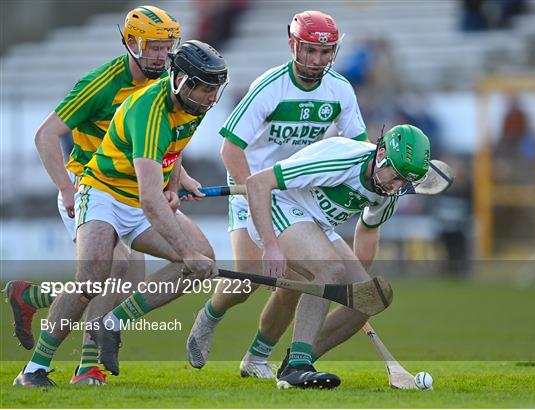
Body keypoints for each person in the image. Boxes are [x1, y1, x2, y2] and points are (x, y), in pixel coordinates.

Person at [13, 39, 229, 387]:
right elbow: (148, 196)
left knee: (201, 262)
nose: (209, 97)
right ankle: (34, 369)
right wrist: (186, 252)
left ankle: (111, 323)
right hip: (103, 194)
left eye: (213, 90)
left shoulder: (191, 105)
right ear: (180, 80)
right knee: (92, 280)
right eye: (203, 88)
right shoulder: (149, 110)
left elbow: (171, 149)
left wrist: (174, 185)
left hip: (141, 199)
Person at [186, 10, 368, 379]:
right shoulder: (270, 86)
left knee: (301, 281)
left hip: (299, 193)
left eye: (325, 53)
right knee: (248, 281)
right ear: (293, 46)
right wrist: (259, 200)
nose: (317, 61)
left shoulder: (340, 90)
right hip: (252, 186)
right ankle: (210, 316)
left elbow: (359, 149)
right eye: (309, 52)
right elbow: (230, 150)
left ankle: (256, 358)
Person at [245, 124, 431, 388]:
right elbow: (259, 183)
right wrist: (271, 246)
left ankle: (299, 361)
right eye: (397, 176)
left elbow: (368, 231)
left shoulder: (389, 193)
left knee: (372, 296)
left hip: (318, 225)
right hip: (282, 205)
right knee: (329, 269)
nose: (398, 186)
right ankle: (297, 368)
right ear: (381, 156)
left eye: (405, 182)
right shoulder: (340, 160)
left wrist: (354, 290)